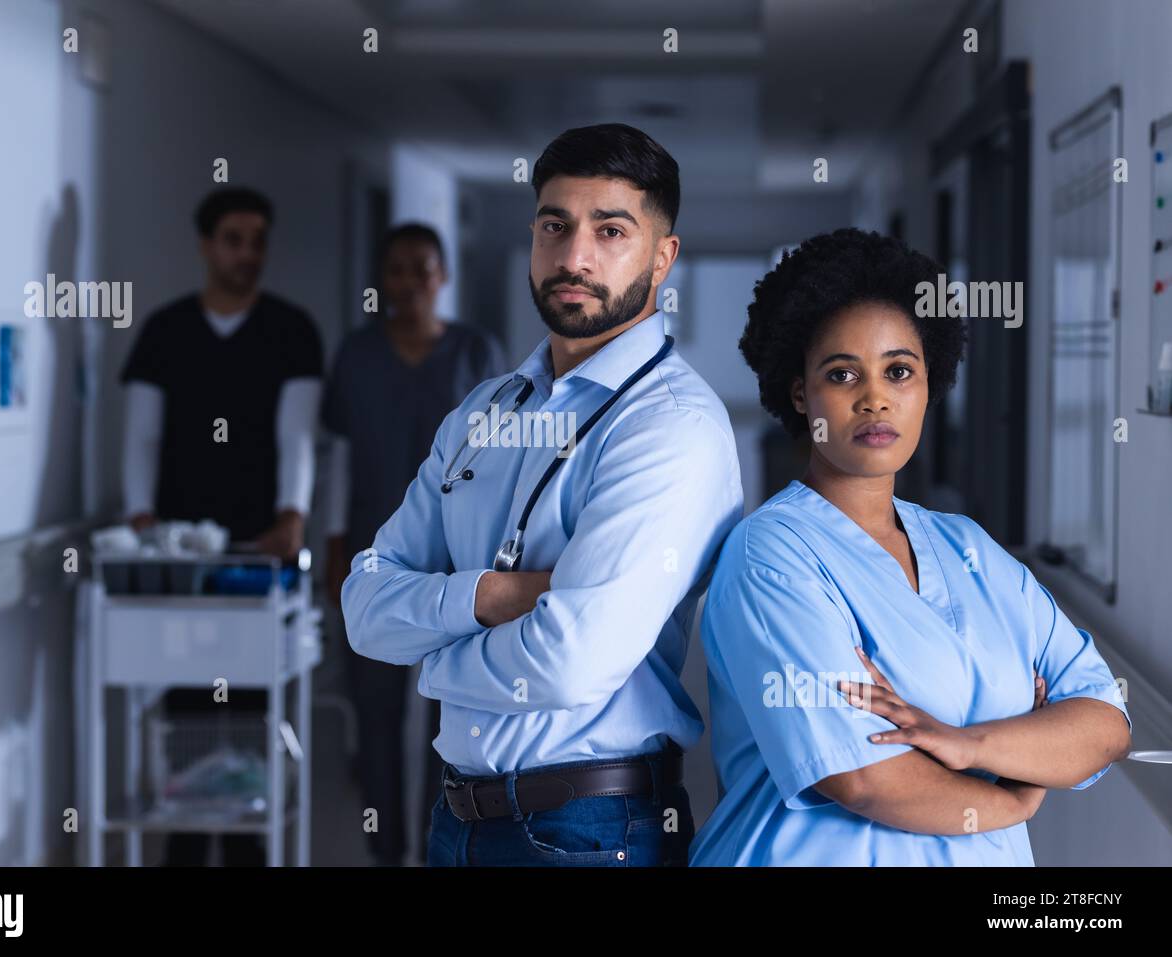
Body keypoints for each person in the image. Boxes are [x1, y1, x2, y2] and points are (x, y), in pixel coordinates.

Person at [341, 123, 744, 867]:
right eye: (554, 225)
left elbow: (569, 662)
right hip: (458, 818)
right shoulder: (486, 410)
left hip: (591, 830)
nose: (573, 256)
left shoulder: (671, 427)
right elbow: (364, 605)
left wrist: (432, 663)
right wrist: (493, 596)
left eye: (610, 229)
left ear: (663, 257)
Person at [689, 227, 1132, 867]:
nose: (875, 397)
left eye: (899, 370)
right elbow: (864, 778)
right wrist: (1012, 794)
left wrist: (965, 744)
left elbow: (1106, 722)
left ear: (929, 386)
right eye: (842, 375)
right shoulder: (770, 556)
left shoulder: (970, 548)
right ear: (799, 393)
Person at [119, 186, 325, 865]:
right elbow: (141, 437)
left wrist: (292, 515)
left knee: (250, 699)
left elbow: (297, 436)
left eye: (257, 240)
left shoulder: (290, 331)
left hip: (256, 554)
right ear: (208, 246)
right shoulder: (165, 332)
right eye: (234, 239)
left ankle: (245, 836)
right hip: (185, 554)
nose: (247, 254)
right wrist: (144, 519)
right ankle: (185, 833)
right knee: (186, 701)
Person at [319, 222, 507, 866]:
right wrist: (334, 540)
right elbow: (338, 453)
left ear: (443, 276)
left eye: (422, 269)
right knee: (373, 712)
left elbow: (507, 458)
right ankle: (383, 850)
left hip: (459, 562)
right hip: (376, 558)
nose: (409, 283)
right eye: (396, 269)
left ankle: (437, 849)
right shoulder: (356, 355)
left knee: (448, 717)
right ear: (381, 278)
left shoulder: (476, 352)